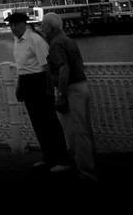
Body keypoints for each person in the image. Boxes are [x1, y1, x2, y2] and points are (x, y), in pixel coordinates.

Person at [5, 10, 70, 172]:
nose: (13, 28)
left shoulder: (35, 40)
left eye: (15, 25)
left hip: (40, 81)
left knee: (50, 122)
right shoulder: (17, 41)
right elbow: (21, 68)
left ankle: (62, 159)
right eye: (11, 25)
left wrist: (49, 90)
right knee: (37, 122)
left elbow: (47, 66)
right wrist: (20, 87)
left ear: (23, 24)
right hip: (27, 82)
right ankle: (48, 157)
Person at [42, 12, 98, 182]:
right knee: (85, 132)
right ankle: (90, 165)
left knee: (77, 133)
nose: (41, 28)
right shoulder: (69, 40)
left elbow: (64, 69)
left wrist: (61, 93)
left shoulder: (56, 44)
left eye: (42, 25)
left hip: (72, 90)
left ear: (49, 27)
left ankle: (86, 173)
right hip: (82, 87)